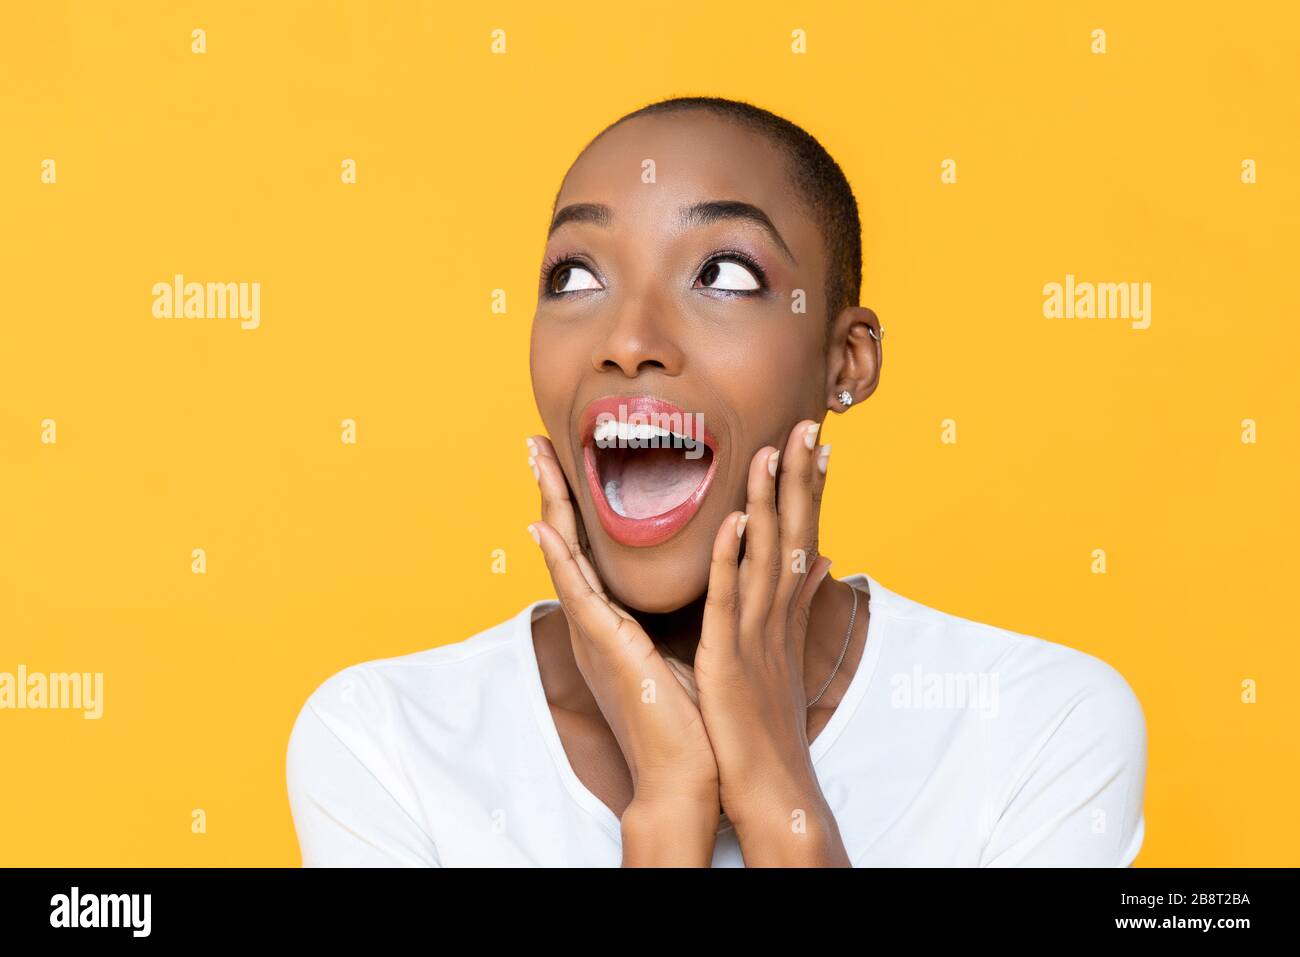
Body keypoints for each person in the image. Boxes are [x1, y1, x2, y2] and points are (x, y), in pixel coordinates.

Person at [286, 95, 1147, 867]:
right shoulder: (383, 740)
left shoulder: (1041, 727)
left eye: (724, 274)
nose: (629, 338)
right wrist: (667, 808)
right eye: (575, 275)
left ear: (846, 359)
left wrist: (779, 794)